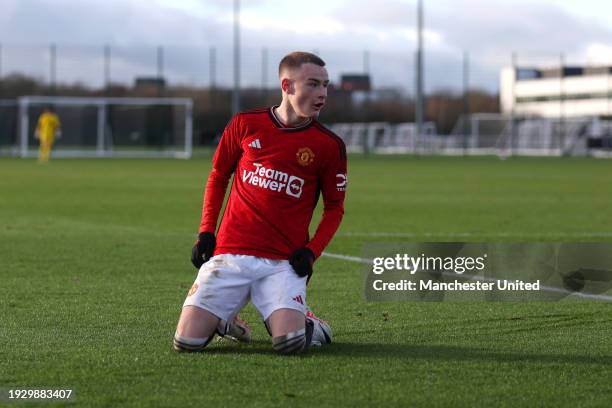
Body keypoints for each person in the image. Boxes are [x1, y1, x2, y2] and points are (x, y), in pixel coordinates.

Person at [174, 51, 347, 354]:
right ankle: (226, 319)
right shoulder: (245, 124)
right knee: (186, 342)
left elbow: (334, 209)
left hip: (282, 262)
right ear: (287, 85)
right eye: (313, 84)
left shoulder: (329, 145)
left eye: (325, 85)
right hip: (230, 254)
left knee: (290, 344)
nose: (322, 94)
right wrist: (205, 232)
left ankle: (307, 322)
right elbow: (218, 176)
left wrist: (311, 252)